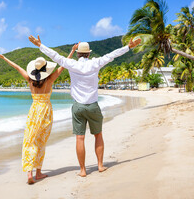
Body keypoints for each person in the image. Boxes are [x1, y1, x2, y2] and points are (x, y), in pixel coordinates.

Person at [29, 35, 141, 177]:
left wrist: (40, 45)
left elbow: (55, 56)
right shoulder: (96, 63)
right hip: (93, 106)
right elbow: (112, 55)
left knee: (79, 138)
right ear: (89, 53)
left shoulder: (72, 64)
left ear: (78, 54)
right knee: (98, 135)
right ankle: (100, 166)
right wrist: (128, 47)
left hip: (78, 107)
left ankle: (82, 170)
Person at [0, 44, 77, 184]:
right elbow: (63, 65)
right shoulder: (50, 80)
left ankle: (29, 173)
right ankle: (38, 173)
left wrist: (4, 58)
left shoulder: (29, 80)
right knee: (40, 142)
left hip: (34, 112)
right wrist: (72, 51)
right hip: (46, 112)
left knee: (30, 141)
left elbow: (16, 67)